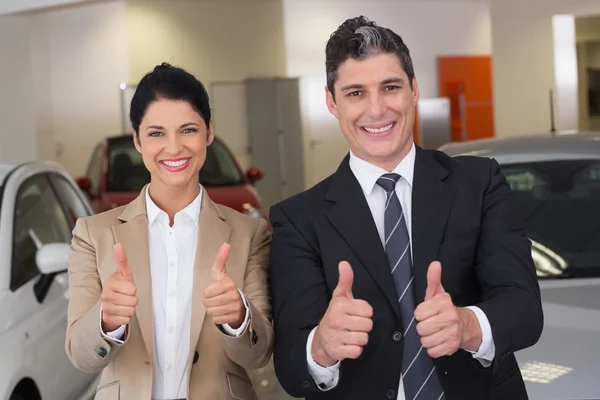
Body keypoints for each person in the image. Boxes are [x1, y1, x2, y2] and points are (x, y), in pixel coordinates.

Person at [268, 16, 543, 400]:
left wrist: (467, 325)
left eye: (390, 87)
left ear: (414, 89)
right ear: (332, 102)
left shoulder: (479, 184)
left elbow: (525, 309)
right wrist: (321, 348)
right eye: (355, 93)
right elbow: (290, 366)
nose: (377, 109)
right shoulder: (297, 219)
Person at [65, 63, 273, 400]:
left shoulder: (249, 233)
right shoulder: (93, 234)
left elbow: (259, 355)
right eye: (156, 133)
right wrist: (106, 320)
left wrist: (237, 317)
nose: (173, 148)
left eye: (188, 129)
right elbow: (80, 355)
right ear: (137, 139)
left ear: (209, 132)